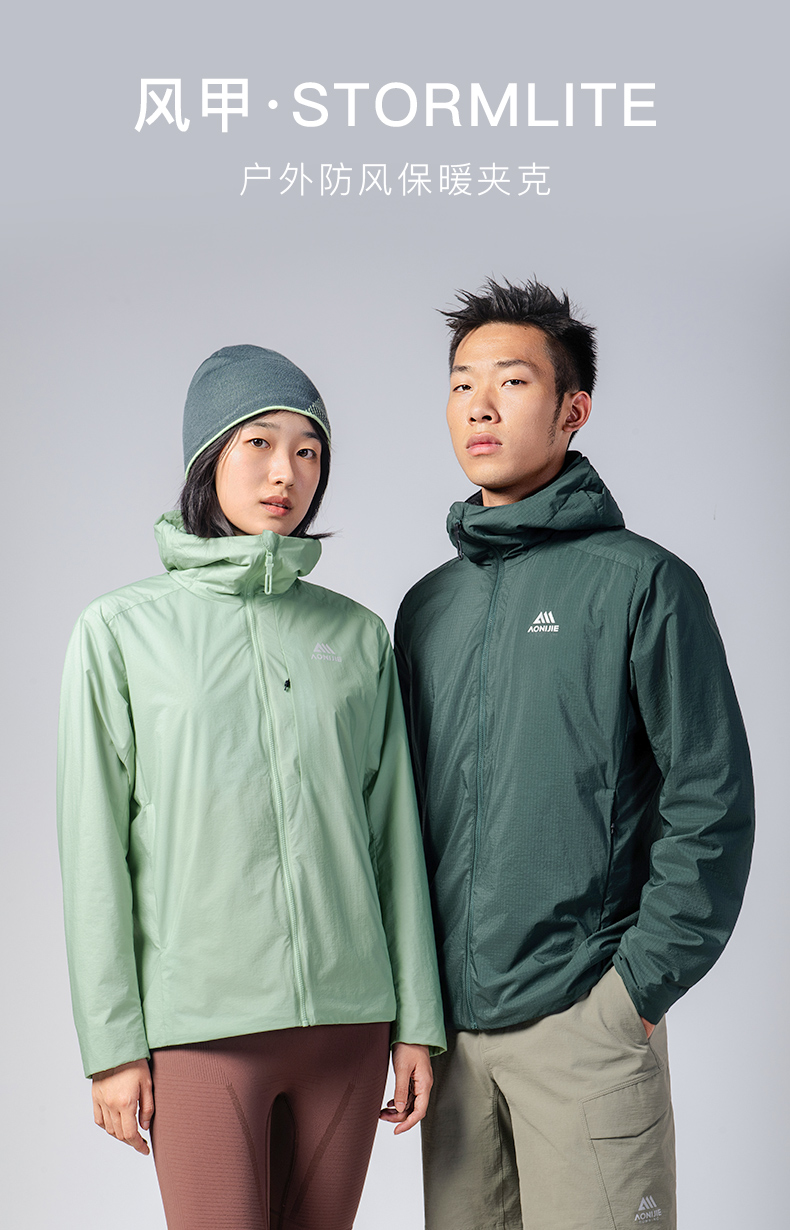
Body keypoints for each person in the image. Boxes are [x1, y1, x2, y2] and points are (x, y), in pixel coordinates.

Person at [57, 344, 445, 1230]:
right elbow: (93, 850)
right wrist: (111, 1045)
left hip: (349, 1027)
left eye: (309, 452)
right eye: (259, 443)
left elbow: (393, 837)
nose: (286, 473)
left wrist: (417, 1020)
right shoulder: (120, 631)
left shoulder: (356, 637)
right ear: (208, 458)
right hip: (202, 1031)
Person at [394, 280, 754, 1230]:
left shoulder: (644, 584)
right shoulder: (425, 610)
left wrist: (632, 995)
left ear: (573, 410)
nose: (480, 405)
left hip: (585, 1025)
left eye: (512, 382)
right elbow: (400, 821)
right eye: (462, 384)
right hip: (454, 1047)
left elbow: (711, 800)